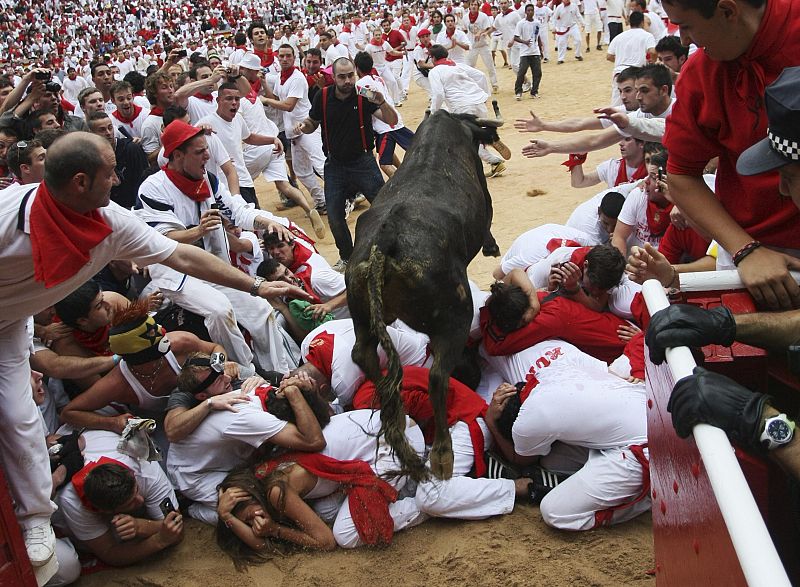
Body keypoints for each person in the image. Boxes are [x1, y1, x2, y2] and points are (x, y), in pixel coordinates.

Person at [661, 0, 800, 310]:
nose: (682, 39)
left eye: (686, 25)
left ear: (727, 11)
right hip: (751, 257)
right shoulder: (701, 72)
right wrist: (745, 250)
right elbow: (681, 173)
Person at [136, 120, 304, 373]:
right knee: (219, 311)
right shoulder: (153, 188)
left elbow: (238, 212)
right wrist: (198, 231)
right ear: (178, 155)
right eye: (200, 151)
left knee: (261, 311)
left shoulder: (209, 180)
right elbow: (161, 241)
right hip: (177, 273)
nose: (208, 155)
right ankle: (246, 375)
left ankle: (281, 373)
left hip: (213, 268)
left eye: (207, 149)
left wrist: (268, 222)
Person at [166, 358, 326, 525]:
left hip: (230, 459)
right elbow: (314, 441)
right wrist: (295, 392)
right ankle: (193, 508)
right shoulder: (244, 415)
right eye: (218, 380)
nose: (229, 379)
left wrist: (310, 392)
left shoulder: (258, 388)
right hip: (194, 473)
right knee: (258, 514)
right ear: (201, 395)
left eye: (223, 374)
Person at [294, 57, 398, 271]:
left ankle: (393, 250)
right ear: (334, 77)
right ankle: (347, 256)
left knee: (383, 209)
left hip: (364, 162)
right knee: (334, 215)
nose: (348, 80)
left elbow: (391, 120)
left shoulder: (364, 94)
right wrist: (304, 126)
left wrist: (382, 102)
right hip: (335, 165)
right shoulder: (322, 96)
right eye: (342, 77)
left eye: (351, 75)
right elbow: (313, 122)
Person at [54, 430, 184, 566]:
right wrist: (158, 541)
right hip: (62, 470)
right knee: (111, 538)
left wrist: (141, 526)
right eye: (130, 503)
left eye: (137, 491)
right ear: (104, 511)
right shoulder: (73, 502)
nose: (140, 500)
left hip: (94, 435)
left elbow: (176, 526)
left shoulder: (144, 466)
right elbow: (110, 553)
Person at [261, 47, 329, 221]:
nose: (284, 59)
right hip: (294, 130)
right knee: (302, 170)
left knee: (320, 164)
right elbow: (276, 99)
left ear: (295, 58)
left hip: (307, 126)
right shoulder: (281, 78)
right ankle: (322, 201)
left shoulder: (297, 78)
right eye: (281, 56)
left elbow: (288, 105)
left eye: (288, 56)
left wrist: (265, 100)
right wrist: (263, 85)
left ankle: (342, 196)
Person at [87, 111, 149, 208]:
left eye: (110, 128)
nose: (108, 133)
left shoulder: (131, 150)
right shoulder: (90, 156)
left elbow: (144, 181)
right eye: (102, 130)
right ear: (91, 133)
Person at [606, 12, 656, 106]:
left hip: (619, 71)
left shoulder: (619, 37)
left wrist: (619, 61)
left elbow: (609, 56)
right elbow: (653, 51)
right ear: (642, 22)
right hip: (635, 73)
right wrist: (652, 62)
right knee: (636, 104)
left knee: (617, 104)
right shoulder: (646, 35)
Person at [464, 0, 499, 93]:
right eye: (472, 5)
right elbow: (465, 30)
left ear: (478, 6)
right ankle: (471, 85)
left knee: (490, 65)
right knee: (469, 66)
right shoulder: (465, 17)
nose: (474, 6)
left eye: (475, 5)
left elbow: (487, 27)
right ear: (469, 6)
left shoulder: (483, 16)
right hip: (472, 46)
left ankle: (494, 84)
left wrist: (481, 32)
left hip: (483, 45)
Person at [513, 4, 542, 100]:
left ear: (534, 12)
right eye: (528, 10)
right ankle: (518, 91)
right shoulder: (521, 23)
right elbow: (516, 37)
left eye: (531, 10)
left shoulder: (537, 23)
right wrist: (524, 42)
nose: (530, 12)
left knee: (537, 73)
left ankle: (534, 92)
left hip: (535, 51)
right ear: (525, 12)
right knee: (521, 72)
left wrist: (541, 50)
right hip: (525, 53)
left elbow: (538, 37)